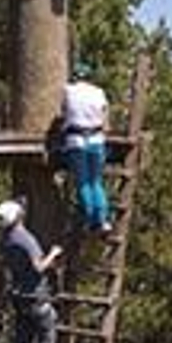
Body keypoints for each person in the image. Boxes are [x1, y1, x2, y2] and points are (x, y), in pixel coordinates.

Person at [0, 200, 64, 343]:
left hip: (18, 295)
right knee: (46, 338)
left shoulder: (5, 239)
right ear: (18, 217)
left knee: (22, 341)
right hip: (36, 295)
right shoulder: (25, 239)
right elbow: (39, 267)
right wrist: (53, 253)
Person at [61, 61, 111, 232]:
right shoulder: (99, 92)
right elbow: (105, 118)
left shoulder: (68, 90)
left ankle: (89, 219)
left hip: (76, 141)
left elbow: (64, 111)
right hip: (97, 139)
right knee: (95, 182)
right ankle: (102, 220)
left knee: (83, 183)